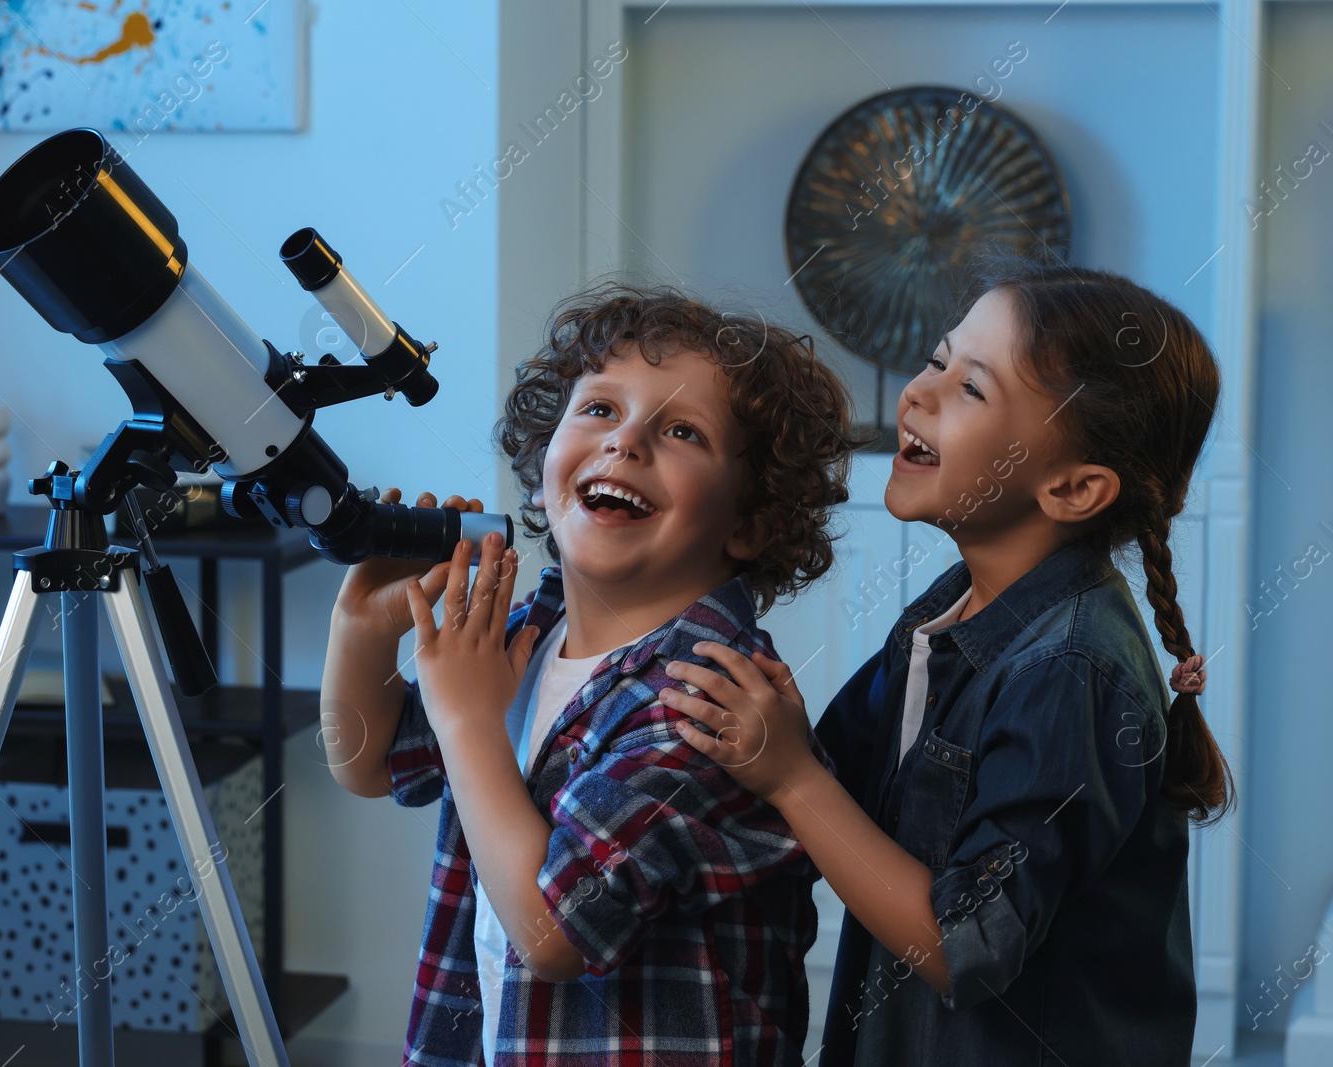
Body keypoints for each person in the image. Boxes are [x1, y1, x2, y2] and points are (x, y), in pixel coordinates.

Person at [661, 257, 1231, 1066]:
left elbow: (968, 943)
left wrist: (790, 775)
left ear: (1072, 488)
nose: (918, 394)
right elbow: (825, 783)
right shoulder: (946, 610)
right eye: (936, 360)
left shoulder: (1073, 670)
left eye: (972, 389)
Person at [319, 281, 866, 1066]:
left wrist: (471, 721)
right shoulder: (523, 637)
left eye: (682, 430)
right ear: (545, 456)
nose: (626, 442)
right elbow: (369, 762)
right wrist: (361, 630)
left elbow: (554, 931)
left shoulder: (709, 698)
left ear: (751, 521)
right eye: (600, 409)